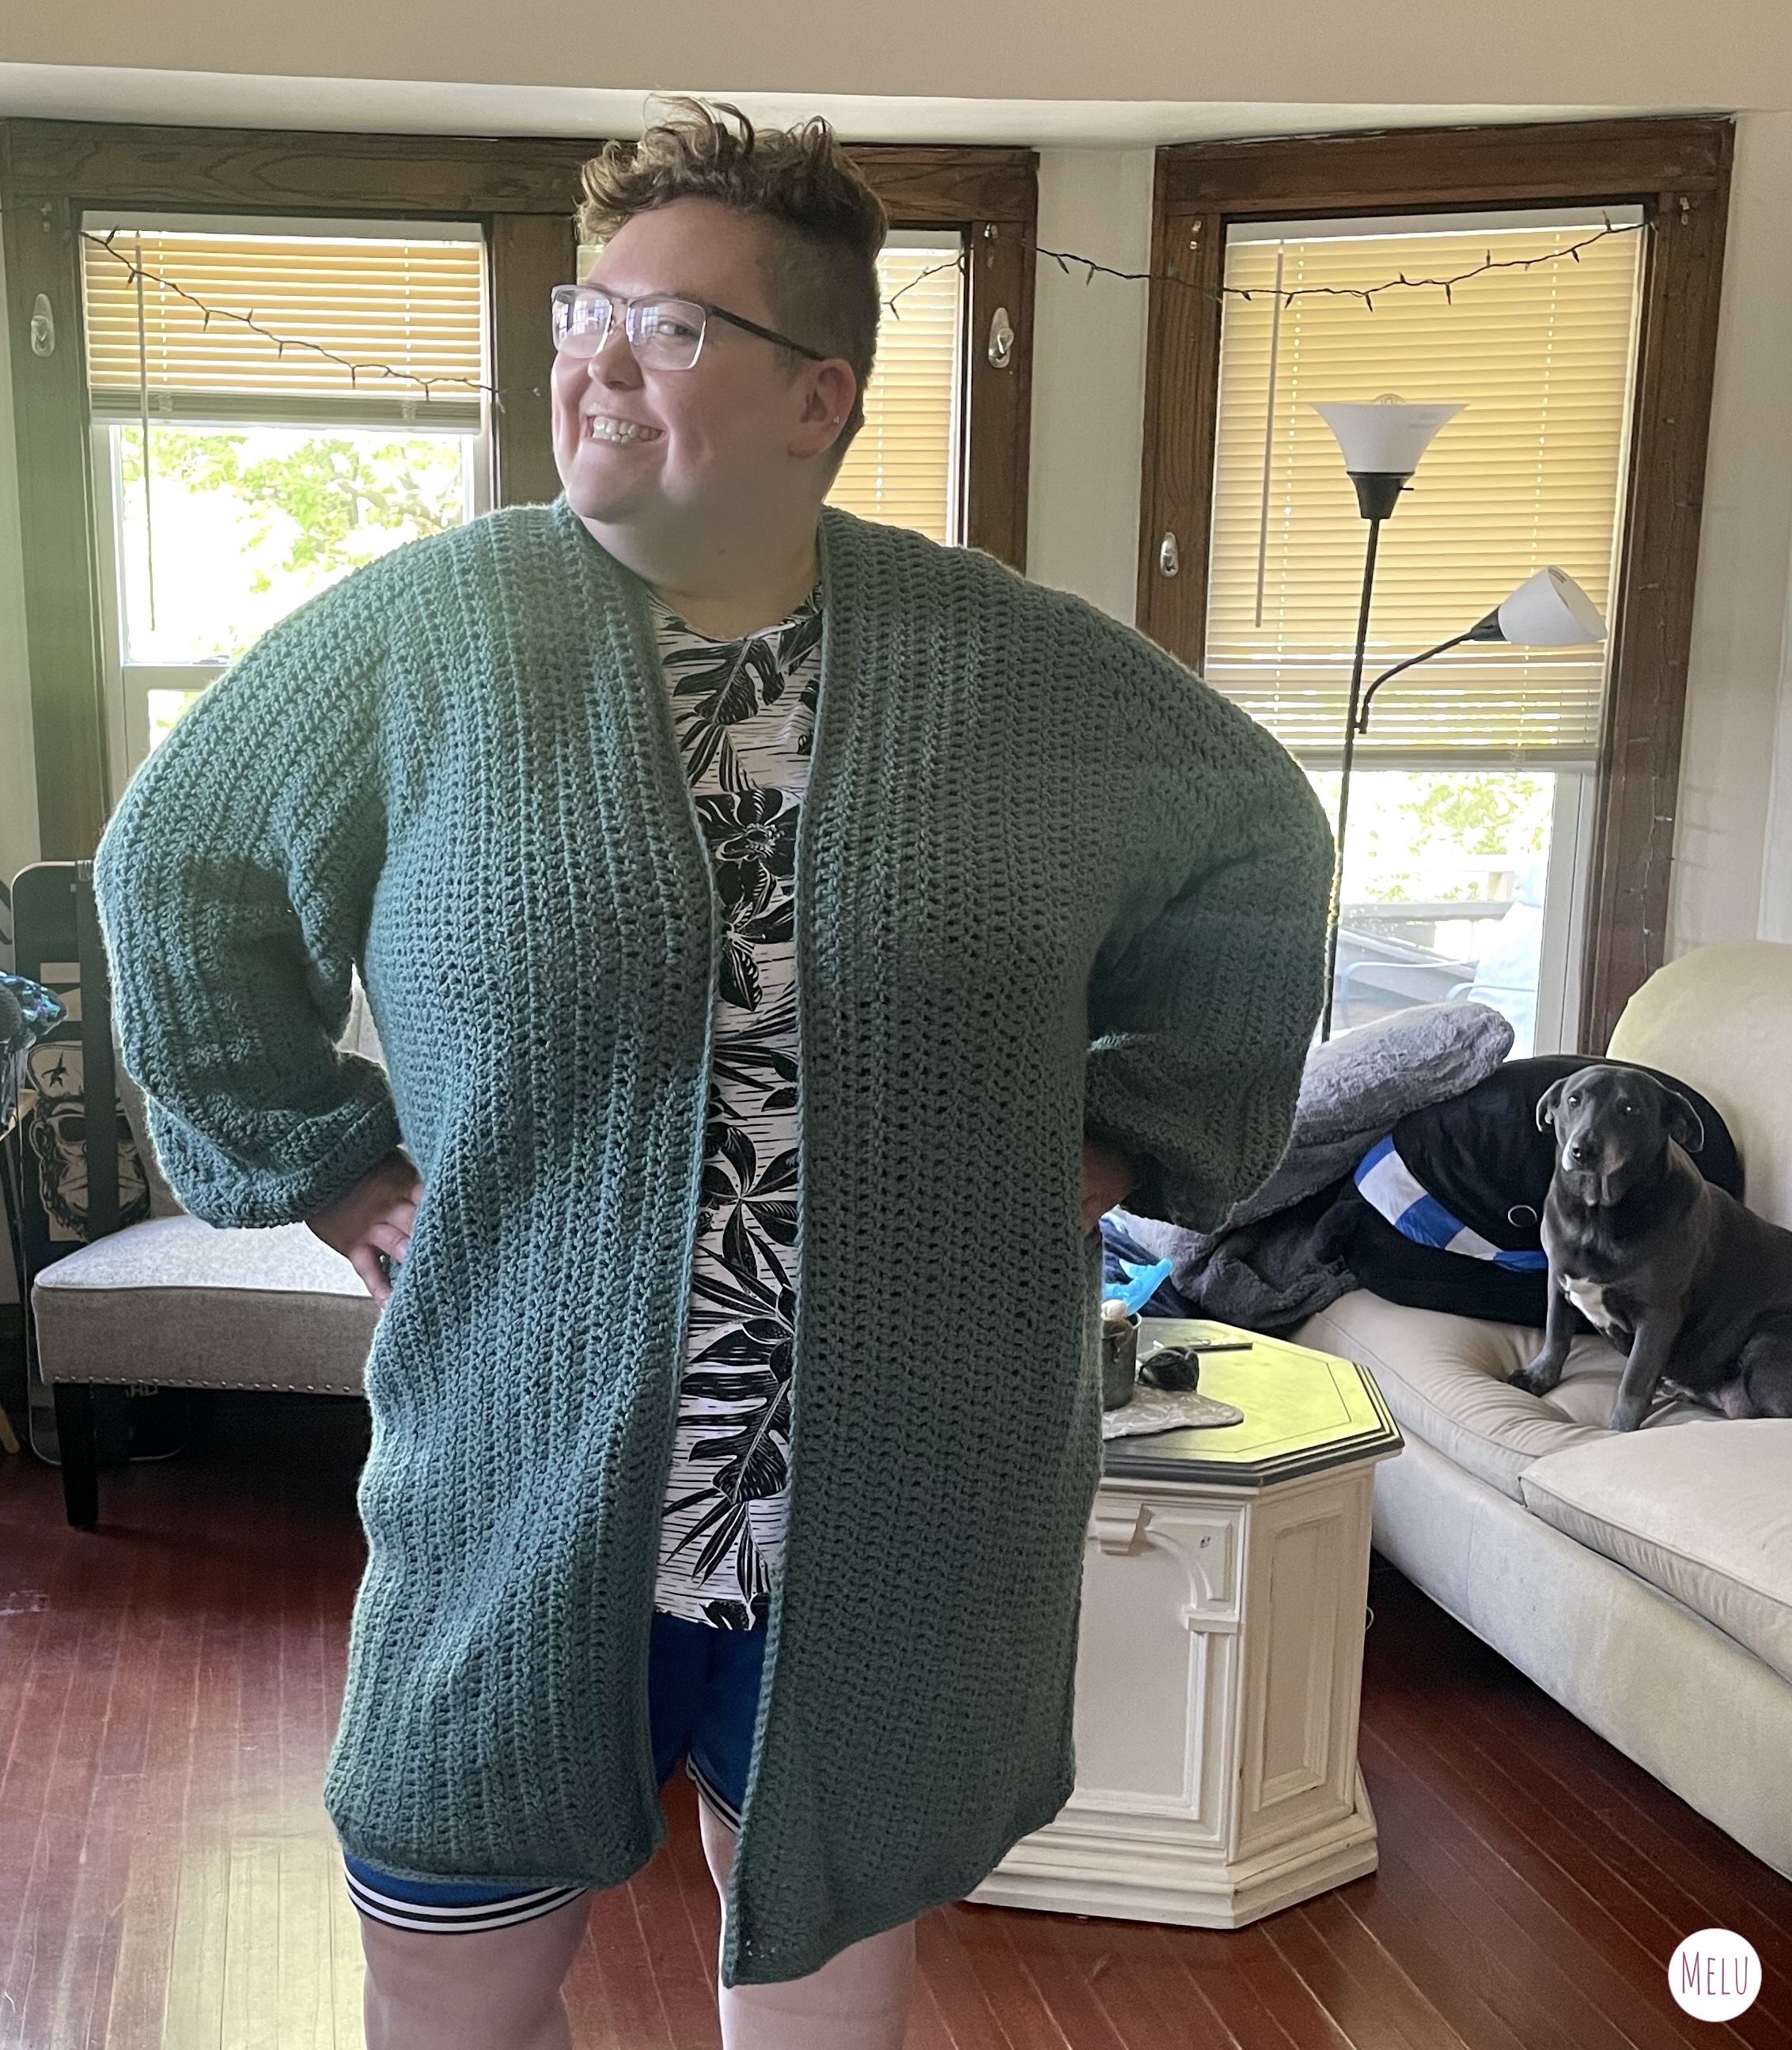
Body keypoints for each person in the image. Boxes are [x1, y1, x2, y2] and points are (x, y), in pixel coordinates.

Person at [95, 101, 1332, 2050]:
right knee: (449, 1992)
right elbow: (180, 867)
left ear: (815, 395)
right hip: (515, 1474)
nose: (596, 358)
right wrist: (326, 1171)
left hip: (904, 1489)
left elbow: (1254, 842)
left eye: (669, 328)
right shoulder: (425, 637)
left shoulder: (1021, 674)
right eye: (585, 310)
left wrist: (1123, 1139)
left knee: (820, 1984)